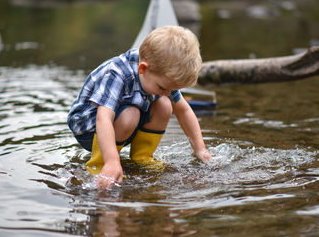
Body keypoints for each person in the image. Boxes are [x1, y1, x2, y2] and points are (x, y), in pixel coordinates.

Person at [67, 25, 212, 189]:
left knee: (165, 104)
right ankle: (99, 165)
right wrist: (112, 161)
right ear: (143, 68)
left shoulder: (159, 72)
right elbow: (103, 118)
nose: (168, 92)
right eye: (163, 88)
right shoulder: (117, 73)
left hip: (122, 123)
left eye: (172, 89)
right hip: (90, 129)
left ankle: (141, 157)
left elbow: (184, 110)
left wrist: (200, 149)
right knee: (131, 113)